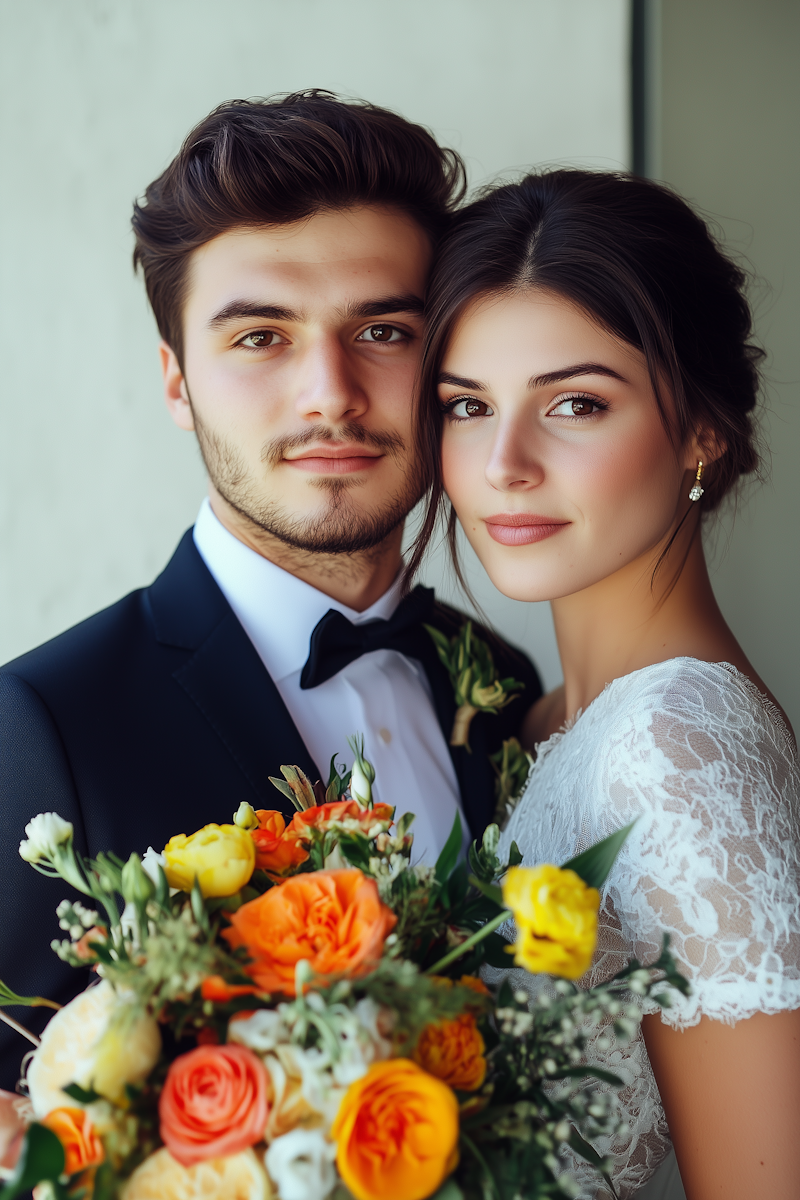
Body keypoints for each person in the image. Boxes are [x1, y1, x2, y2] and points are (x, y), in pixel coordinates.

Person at [0, 93, 541, 1089]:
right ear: (177, 381)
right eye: (260, 337)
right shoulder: (44, 726)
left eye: (382, 330)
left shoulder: (501, 682)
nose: (330, 389)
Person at [412, 169, 800, 1199]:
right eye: (465, 406)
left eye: (573, 404)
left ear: (698, 432)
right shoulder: (538, 714)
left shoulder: (670, 750)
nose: (502, 462)